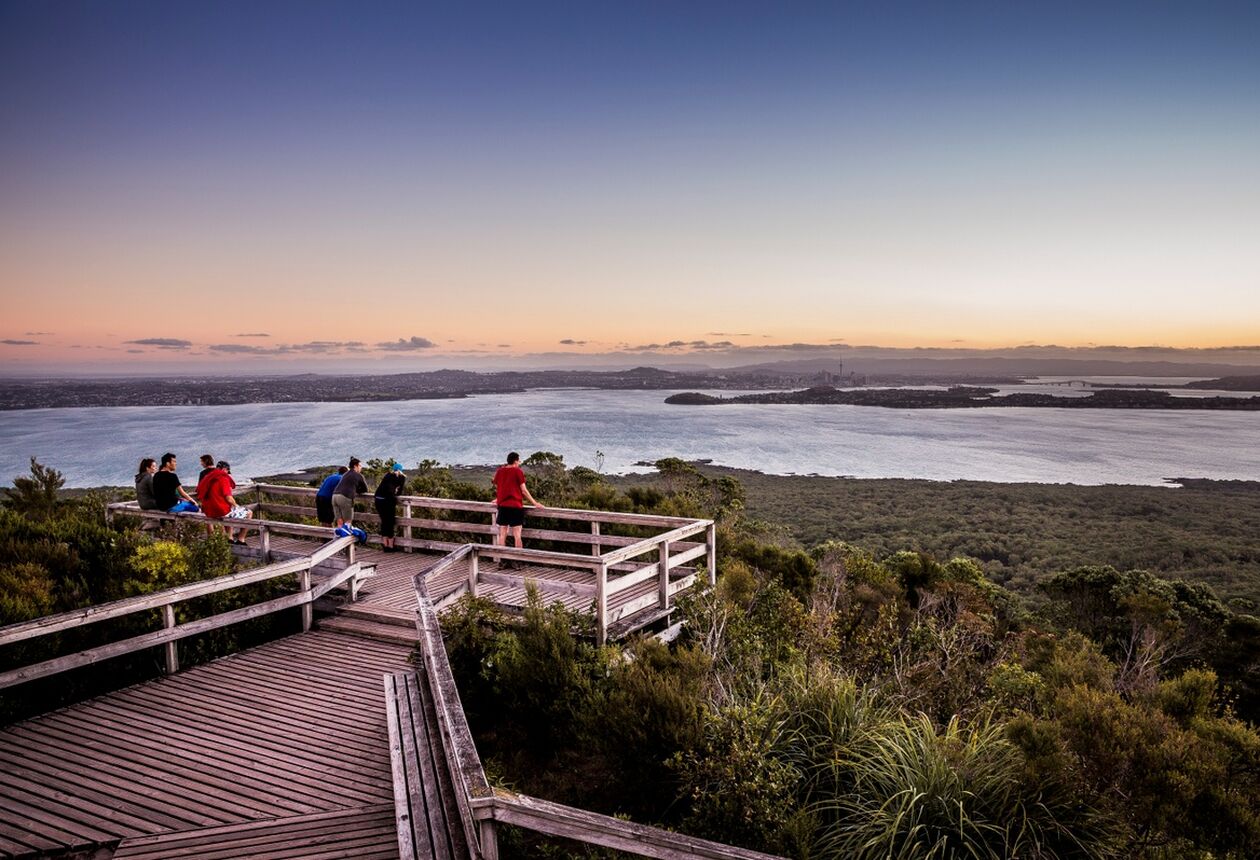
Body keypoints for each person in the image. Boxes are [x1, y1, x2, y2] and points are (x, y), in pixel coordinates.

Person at [493, 451, 543, 569]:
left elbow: (500, 486)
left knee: (502, 535)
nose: (519, 463)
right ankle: (517, 561)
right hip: (515, 506)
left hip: (503, 506)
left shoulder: (500, 471)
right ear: (515, 461)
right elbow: (524, 490)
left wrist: (498, 498)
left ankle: (502, 561)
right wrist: (534, 503)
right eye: (519, 461)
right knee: (517, 535)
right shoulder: (518, 471)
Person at [373, 462, 407, 551]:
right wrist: (395, 492)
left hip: (378, 499)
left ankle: (385, 545)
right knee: (390, 522)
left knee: (384, 521)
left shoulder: (387, 475)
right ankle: (391, 546)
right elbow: (400, 492)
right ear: (401, 470)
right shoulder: (402, 477)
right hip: (388, 501)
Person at [332, 457, 369, 528]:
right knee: (348, 522)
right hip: (345, 497)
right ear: (355, 466)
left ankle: (339, 537)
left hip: (334, 496)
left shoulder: (345, 474)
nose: (361, 467)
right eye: (360, 466)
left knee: (339, 522)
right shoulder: (359, 475)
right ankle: (346, 538)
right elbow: (365, 489)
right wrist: (356, 490)